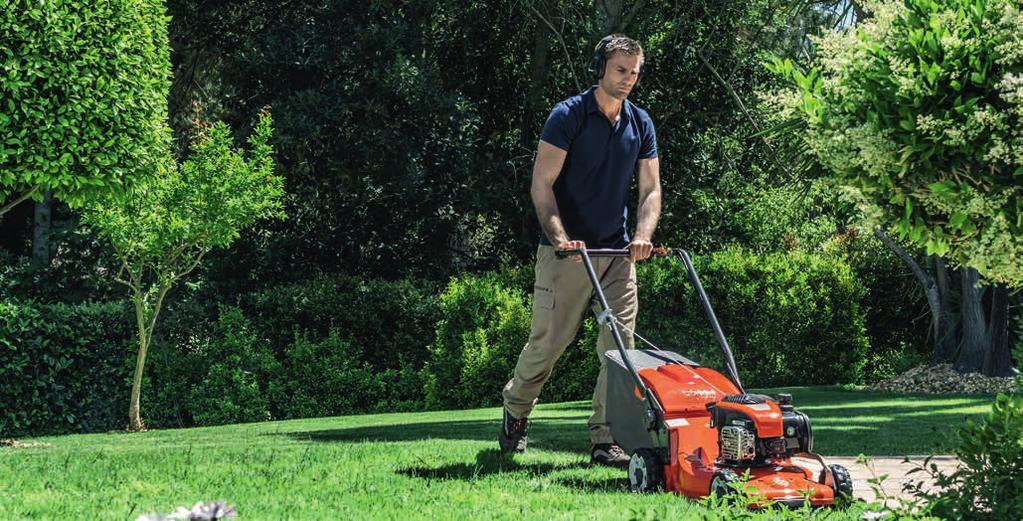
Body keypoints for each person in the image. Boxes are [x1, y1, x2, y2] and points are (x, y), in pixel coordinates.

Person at [499, 34, 661, 468]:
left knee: (620, 348)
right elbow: (542, 184)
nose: (629, 79)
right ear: (600, 69)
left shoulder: (640, 123)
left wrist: (642, 234)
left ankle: (604, 438)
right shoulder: (568, 116)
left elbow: (650, 191)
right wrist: (558, 237)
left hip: (618, 256)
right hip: (567, 255)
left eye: (635, 72)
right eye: (621, 70)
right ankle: (516, 411)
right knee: (548, 344)